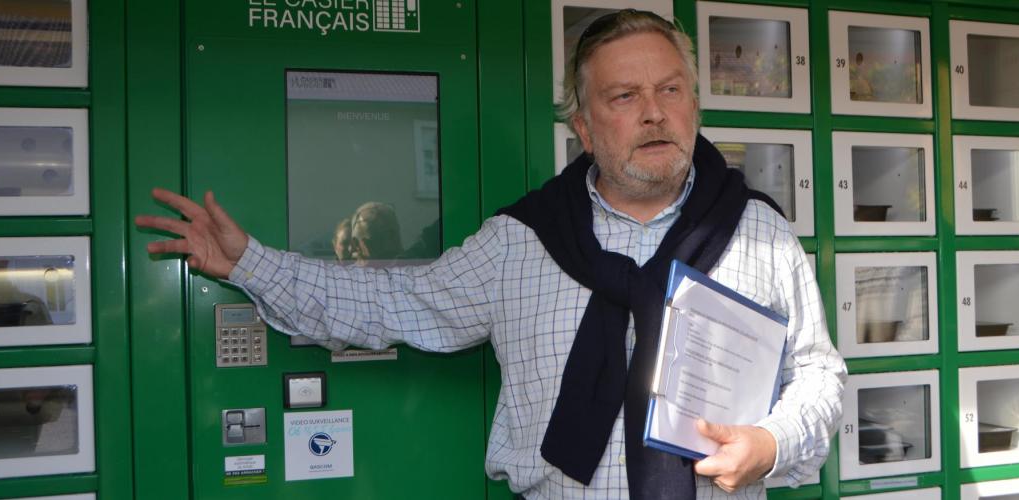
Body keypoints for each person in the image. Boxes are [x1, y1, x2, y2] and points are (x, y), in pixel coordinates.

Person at [136, 9, 845, 499]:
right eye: (625, 96)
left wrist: (773, 443)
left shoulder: (759, 233)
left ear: (693, 104)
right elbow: (395, 302)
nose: (655, 112)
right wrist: (249, 264)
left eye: (670, 90)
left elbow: (819, 376)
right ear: (585, 128)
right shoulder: (523, 242)